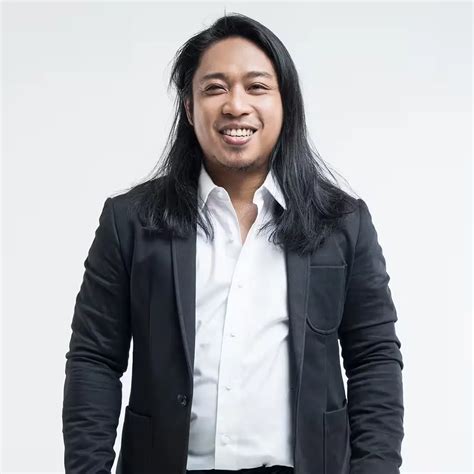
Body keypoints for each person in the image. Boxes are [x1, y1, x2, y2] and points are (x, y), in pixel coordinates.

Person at [62, 13, 404, 474]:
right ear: (189, 108)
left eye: (257, 87)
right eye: (215, 88)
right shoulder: (130, 222)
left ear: (286, 104)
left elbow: (374, 359)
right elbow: (94, 360)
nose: (236, 105)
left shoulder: (342, 222)